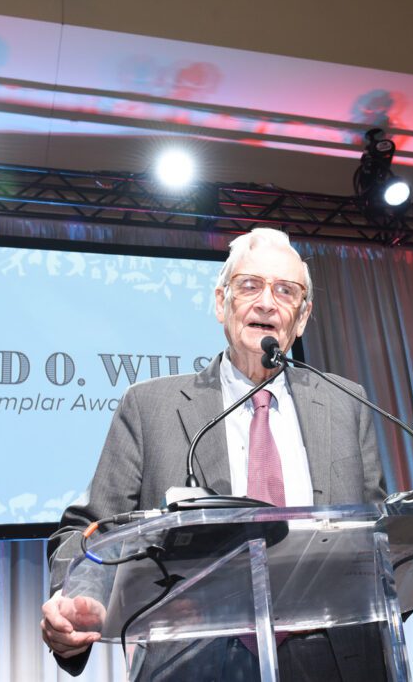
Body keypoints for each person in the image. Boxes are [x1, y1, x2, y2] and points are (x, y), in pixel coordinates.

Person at [42, 228, 387, 680]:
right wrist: (75, 603)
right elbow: (85, 532)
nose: (267, 303)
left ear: (302, 318)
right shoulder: (151, 408)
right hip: (192, 661)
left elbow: (379, 542)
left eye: (286, 291)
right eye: (250, 286)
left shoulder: (347, 404)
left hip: (336, 661)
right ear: (221, 302)